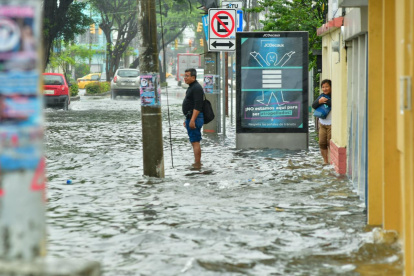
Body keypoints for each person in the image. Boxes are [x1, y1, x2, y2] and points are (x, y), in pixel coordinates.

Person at [182, 68, 204, 169]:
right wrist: (187, 118)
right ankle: (197, 163)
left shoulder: (196, 88)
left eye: (187, 76)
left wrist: (192, 120)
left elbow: (198, 106)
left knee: (195, 141)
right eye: (184, 76)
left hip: (195, 118)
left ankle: (197, 164)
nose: (185, 78)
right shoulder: (191, 87)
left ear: (193, 77)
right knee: (193, 141)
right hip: (190, 117)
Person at [312, 79, 332, 165]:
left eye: (327, 86)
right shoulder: (321, 96)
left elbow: (334, 103)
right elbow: (313, 105)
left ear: (331, 87)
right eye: (323, 87)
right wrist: (319, 101)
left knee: (330, 142)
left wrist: (326, 101)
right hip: (322, 123)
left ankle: (332, 161)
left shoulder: (333, 96)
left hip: (332, 124)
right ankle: (325, 161)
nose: (325, 89)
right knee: (322, 143)